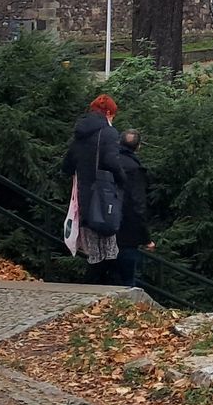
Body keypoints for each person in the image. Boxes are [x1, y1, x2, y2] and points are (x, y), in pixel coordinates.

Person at [61, 95, 128, 283]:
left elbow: (67, 165)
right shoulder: (109, 133)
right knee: (109, 245)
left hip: (84, 197)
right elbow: (111, 161)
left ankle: (94, 286)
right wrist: (122, 180)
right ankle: (109, 289)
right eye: (113, 115)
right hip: (104, 195)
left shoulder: (80, 134)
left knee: (94, 250)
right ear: (108, 113)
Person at [114, 129, 154, 289]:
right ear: (138, 147)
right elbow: (138, 205)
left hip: (104, 224)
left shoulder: (109, 161)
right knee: (128, 281)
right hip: (127, 230)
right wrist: (146, 238)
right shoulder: (134, 169)